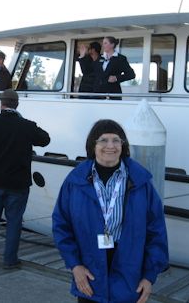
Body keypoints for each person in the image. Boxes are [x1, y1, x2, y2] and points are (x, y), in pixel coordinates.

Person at [52, 119, 168, 303]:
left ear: (123, 145)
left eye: (116, 140)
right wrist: (75, 265)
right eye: (103, 140)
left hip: (129, 272)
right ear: (93, 145)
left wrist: (149, 276)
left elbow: (156, 231)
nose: (110, 146)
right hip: (90, 272)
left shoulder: (140, 182)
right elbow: (61, 225)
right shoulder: (75, 181)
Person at [0, 89, 50, 268]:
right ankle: (9, 260)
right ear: (17, 104)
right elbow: (45, 139)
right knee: (14, 222)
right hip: (18, 184)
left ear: (1, 103)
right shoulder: (27, 126)